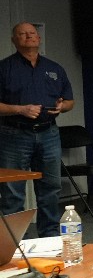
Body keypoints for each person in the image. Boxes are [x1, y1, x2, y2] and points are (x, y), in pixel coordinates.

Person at [0, 22, 74, 237]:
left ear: (39, 39)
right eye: (22, 34)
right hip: (14, 134)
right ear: (14, 40)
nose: (28, 36)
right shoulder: (4, 68)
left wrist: (62, 107)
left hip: (48, 133)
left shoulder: (55, 69)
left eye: (32, 33)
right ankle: (11, 244)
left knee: (50, 189)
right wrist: (19, 109)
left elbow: (70, 101)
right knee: (13, 192)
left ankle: (49, 238)